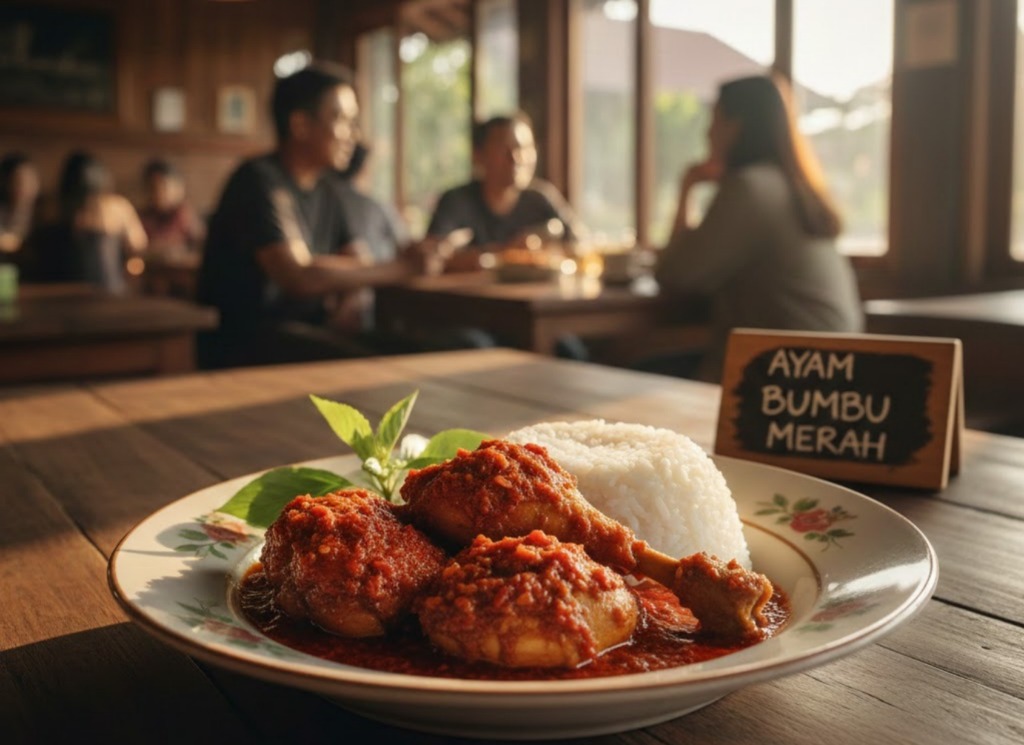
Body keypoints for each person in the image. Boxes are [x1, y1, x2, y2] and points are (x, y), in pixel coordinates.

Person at [196, 62, 435, 369]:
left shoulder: (329, 188)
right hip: (249, 343)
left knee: (446, 350)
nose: (354, 135)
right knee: (390, 369)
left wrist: (354, 294)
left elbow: (357, 260)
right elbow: (298, 276)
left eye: (355, 122)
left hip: (310, 332)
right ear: (300, 125)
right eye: (342, 120)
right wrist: (402, 268)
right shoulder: (258, 180)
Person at [653, 74, 864, 382]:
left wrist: (687, 187)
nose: (707, 132)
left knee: (622, 373)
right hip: (838, 370)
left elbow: (675, 274)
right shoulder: (794, 186)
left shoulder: (749, 188)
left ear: (736, 126)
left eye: (715, 120)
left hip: (782, 374)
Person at [425, 113, 584, 265]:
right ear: (478, 155)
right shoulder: (456, 202)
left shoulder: (540, 199)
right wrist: (505, 253)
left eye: (524, 148)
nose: (517, 158)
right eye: (504, 149)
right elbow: (431, 256)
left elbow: (580, 244)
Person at [24, 151, 147, 293]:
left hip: (53, 292)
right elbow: (138, 246)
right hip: (108, 290)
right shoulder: (117, 206)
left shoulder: (49, 206)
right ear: (102, 177)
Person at [334, 142, 409, 263]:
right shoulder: (376, 206)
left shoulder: (327, 198)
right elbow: (405, 245)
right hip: (371, 274)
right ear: (364, 168)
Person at [138, 158, 205, 257]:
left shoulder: (186, 217)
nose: (158, 193)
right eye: (153, 187)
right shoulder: (144, 217)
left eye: (164, 186)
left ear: (178, 188)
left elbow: (199, 247)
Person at [0, 152, 41, 255]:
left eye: (30, 180)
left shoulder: (43, 215)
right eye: (19, 181)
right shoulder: (3, 212)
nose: (26, 187)